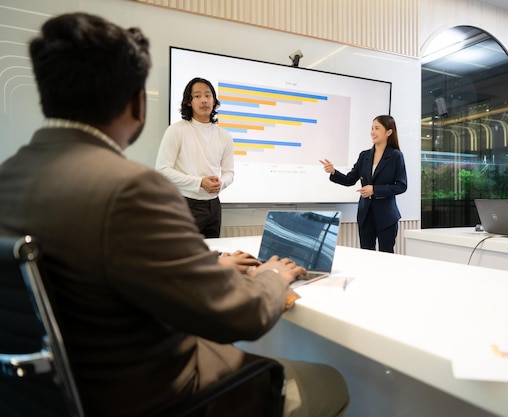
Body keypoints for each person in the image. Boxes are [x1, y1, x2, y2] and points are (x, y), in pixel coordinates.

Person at [0, 12, 348, 417]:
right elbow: (242, 316)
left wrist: (210, 262)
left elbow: (112, 265)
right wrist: (274, 275)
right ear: (137, 103)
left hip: (44, 397)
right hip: (153, 396)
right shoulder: (130, 189)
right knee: (330, 382)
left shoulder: (8, 179)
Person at [156, 77, 234, 238]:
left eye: (208, 95)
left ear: (214, 101)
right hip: (186, 203)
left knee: (212, 256)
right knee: (183, 255)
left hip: (214, 205)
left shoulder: (224, 136)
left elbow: (229, 172)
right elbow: (162, 170)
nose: (204, 100)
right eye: (197, 96)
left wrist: (221, 183)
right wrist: (199, 183)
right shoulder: (177, 130)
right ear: (189, 102)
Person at [320, 115, 407, 253]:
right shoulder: (364, 156)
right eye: (372, 128)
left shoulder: (396, 155)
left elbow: (401, 186)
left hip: (387, 216)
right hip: (365, 215)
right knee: (366, 254)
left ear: (388, 132)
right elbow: (350, 180)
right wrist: (333, 172)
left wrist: (375, 190)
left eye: (377, 128)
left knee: (387, 255)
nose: (372, 132)